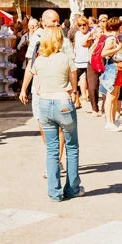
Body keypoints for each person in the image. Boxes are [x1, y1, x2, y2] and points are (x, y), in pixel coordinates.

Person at [20, 25, 82, 201]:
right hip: (63, 102)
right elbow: (73, 85)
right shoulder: (66, 58)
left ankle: (54, 192)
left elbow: (34, 80)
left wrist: (24, 90)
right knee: (71, 146)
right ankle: (72, 188)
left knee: (52, 149)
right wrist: (74, 94)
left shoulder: (39, 60)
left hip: (45, 103)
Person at [99, 18, 122, 132]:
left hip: (117, 68)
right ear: (118, 26)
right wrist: (118, 48)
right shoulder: (111, 39)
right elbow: (104, 53)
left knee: (115, 96)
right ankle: (109, 122)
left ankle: (113, 121)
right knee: (111, 97)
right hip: (112, 69)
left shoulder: (114, 38)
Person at [71, 15, 91, 108]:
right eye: (79, 25)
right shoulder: (77, 34)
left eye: (84, 24)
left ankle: (88, 99)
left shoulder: (91, 33)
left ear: (87, 25)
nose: (82, 27)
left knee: (90, 82)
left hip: (88, 61)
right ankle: (77, 100)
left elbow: (85, 44)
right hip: (78, 61)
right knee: (74, 81)